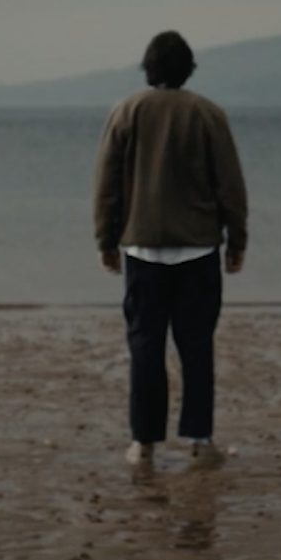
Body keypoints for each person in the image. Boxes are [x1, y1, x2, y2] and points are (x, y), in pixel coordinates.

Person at [93, 31, 248, 470]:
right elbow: (231, 186)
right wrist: (237, 240)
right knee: (196, 347)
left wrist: (105, 240)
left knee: (145, 347)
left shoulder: (127, 111)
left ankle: (143, 443)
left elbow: (106, 185)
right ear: (188, 69)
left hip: (142, 249)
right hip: (198, 250)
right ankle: (200, 439)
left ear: (148, 68)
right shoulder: (207, 114)